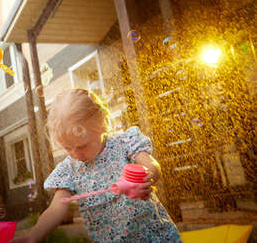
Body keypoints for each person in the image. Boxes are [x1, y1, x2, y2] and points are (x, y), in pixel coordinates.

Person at [11, 88, 181, 243]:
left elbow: (152, 166)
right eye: (68, 148)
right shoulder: (69, 170)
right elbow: (56, 208)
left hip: (157, 237)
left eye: (82, 146)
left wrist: (145, 178)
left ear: (100, 125)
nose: (76, 154)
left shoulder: (124, 144)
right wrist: (33, 236)